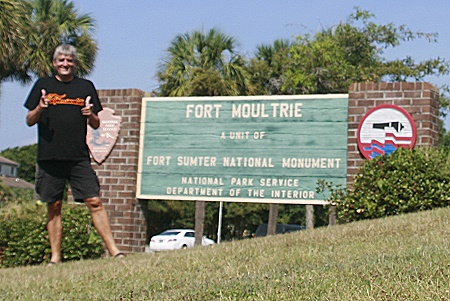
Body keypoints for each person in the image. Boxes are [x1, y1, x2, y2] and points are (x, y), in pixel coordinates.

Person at [24, 44, 125, 265]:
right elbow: (30, 120)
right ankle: (55, 258)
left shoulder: (85, 87)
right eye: (61, 60)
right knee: (54, 205)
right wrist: (40, 107)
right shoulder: (43, 85)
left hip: (78, 157)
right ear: (54, 63)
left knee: (95, 200)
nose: (65, 64)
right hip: (50, 157)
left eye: (69, 60)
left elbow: (97, 124)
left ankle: (115, 251)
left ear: (75, 64)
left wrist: (90, 115)